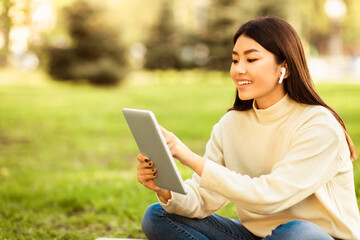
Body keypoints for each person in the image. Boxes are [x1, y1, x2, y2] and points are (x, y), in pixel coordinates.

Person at [136, 16, 360, 240]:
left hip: (315, 237)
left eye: (251, 59)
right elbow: (203, 199)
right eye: (235, 60)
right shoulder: (231, 124)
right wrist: (164, 189)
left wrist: (191, 159)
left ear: (285, 68)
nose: (239, 70)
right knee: (158, 215)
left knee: (297, 232)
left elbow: (271, 196)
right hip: (257, 236)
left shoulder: (319, 125)